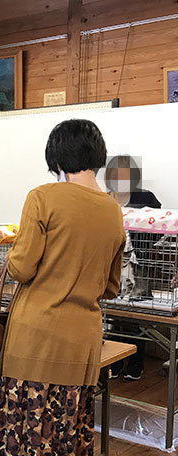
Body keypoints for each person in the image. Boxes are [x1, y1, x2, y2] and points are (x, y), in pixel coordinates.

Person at [0, 120, 125, 456]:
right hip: (82, 345)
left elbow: (22, 268)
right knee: (68, 440)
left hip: (36, 340)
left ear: (57, 157)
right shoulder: (113, 211)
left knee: (24, 438)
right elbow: (112, 286)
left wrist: (13, 247)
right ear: (96, 156)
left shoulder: (43, 197)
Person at [105, 155, 161, 380]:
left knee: (136, 313)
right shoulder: (106, 199)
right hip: (112, 263)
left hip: (139, 263)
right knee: (113, 313)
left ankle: (136, 362)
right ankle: (116, 362)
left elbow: (158, 226)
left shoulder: (145, 197)